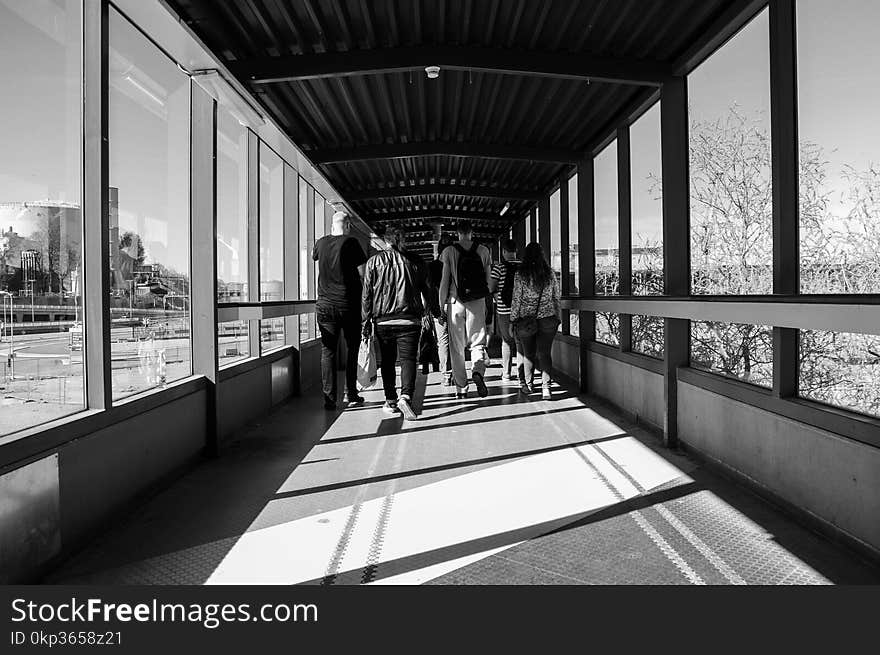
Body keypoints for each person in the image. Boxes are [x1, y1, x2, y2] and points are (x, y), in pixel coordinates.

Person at [362, 227, 439, 421]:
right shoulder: (416, 262)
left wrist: (365, 321)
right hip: (409, 320)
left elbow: (367, 296)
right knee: (408, 360)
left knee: (387, 362)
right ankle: (406, 396)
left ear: (385, 241)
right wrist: (436, 313)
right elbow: (429, 291)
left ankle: (391, 400)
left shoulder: (374, 262)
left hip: (382, 321)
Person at [313, 211, 367, 410]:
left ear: (331, 226)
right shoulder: (351, 243)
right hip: (348, 305)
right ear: (348, 226)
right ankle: (351, 393)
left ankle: (329, 399)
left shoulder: (321, 242)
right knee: (353, 349)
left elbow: (314, 256)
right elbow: (363, 274)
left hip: (325, 306)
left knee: (328, 351)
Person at [439, 220, 492, 399]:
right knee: (477, 343)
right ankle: (477, 372)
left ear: (457, 233)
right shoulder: (484, 250)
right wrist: (488, 304)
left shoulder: (449, 251)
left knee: (457, 348)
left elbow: (444, 282)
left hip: (455, 303)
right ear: (472, 232)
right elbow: (489, 282)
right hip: (477, 302)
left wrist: (441, 306)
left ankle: (461, 388)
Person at [509, 242, 561, 401]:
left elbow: (516, 300)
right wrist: (558, 316)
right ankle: (546, 389)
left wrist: (512, 321)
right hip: (547, 319)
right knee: (545, 353)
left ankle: (529, 385)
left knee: (528, 353)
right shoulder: (549, 274)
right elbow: (555, 297)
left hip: (526, 321)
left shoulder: (521, 275)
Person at [489, 239, 521, 383]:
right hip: (522, 310)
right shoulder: (523, 267)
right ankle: (522, 375)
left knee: (507, 342)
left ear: (503, 252)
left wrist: (497, 296)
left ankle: (506, 373)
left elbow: (490, 288)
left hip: (504, 310)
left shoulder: (499, 268)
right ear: (516, 251)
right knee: (521, 342)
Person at [428, 234, 454, 386]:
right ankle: (458, 373)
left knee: (442, 341)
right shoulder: (457, 265)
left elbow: (431, 290)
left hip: (439, 306)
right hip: (455, 305)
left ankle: (446, 375)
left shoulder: (432, 266)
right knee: (456, 342)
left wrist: (436, 312)